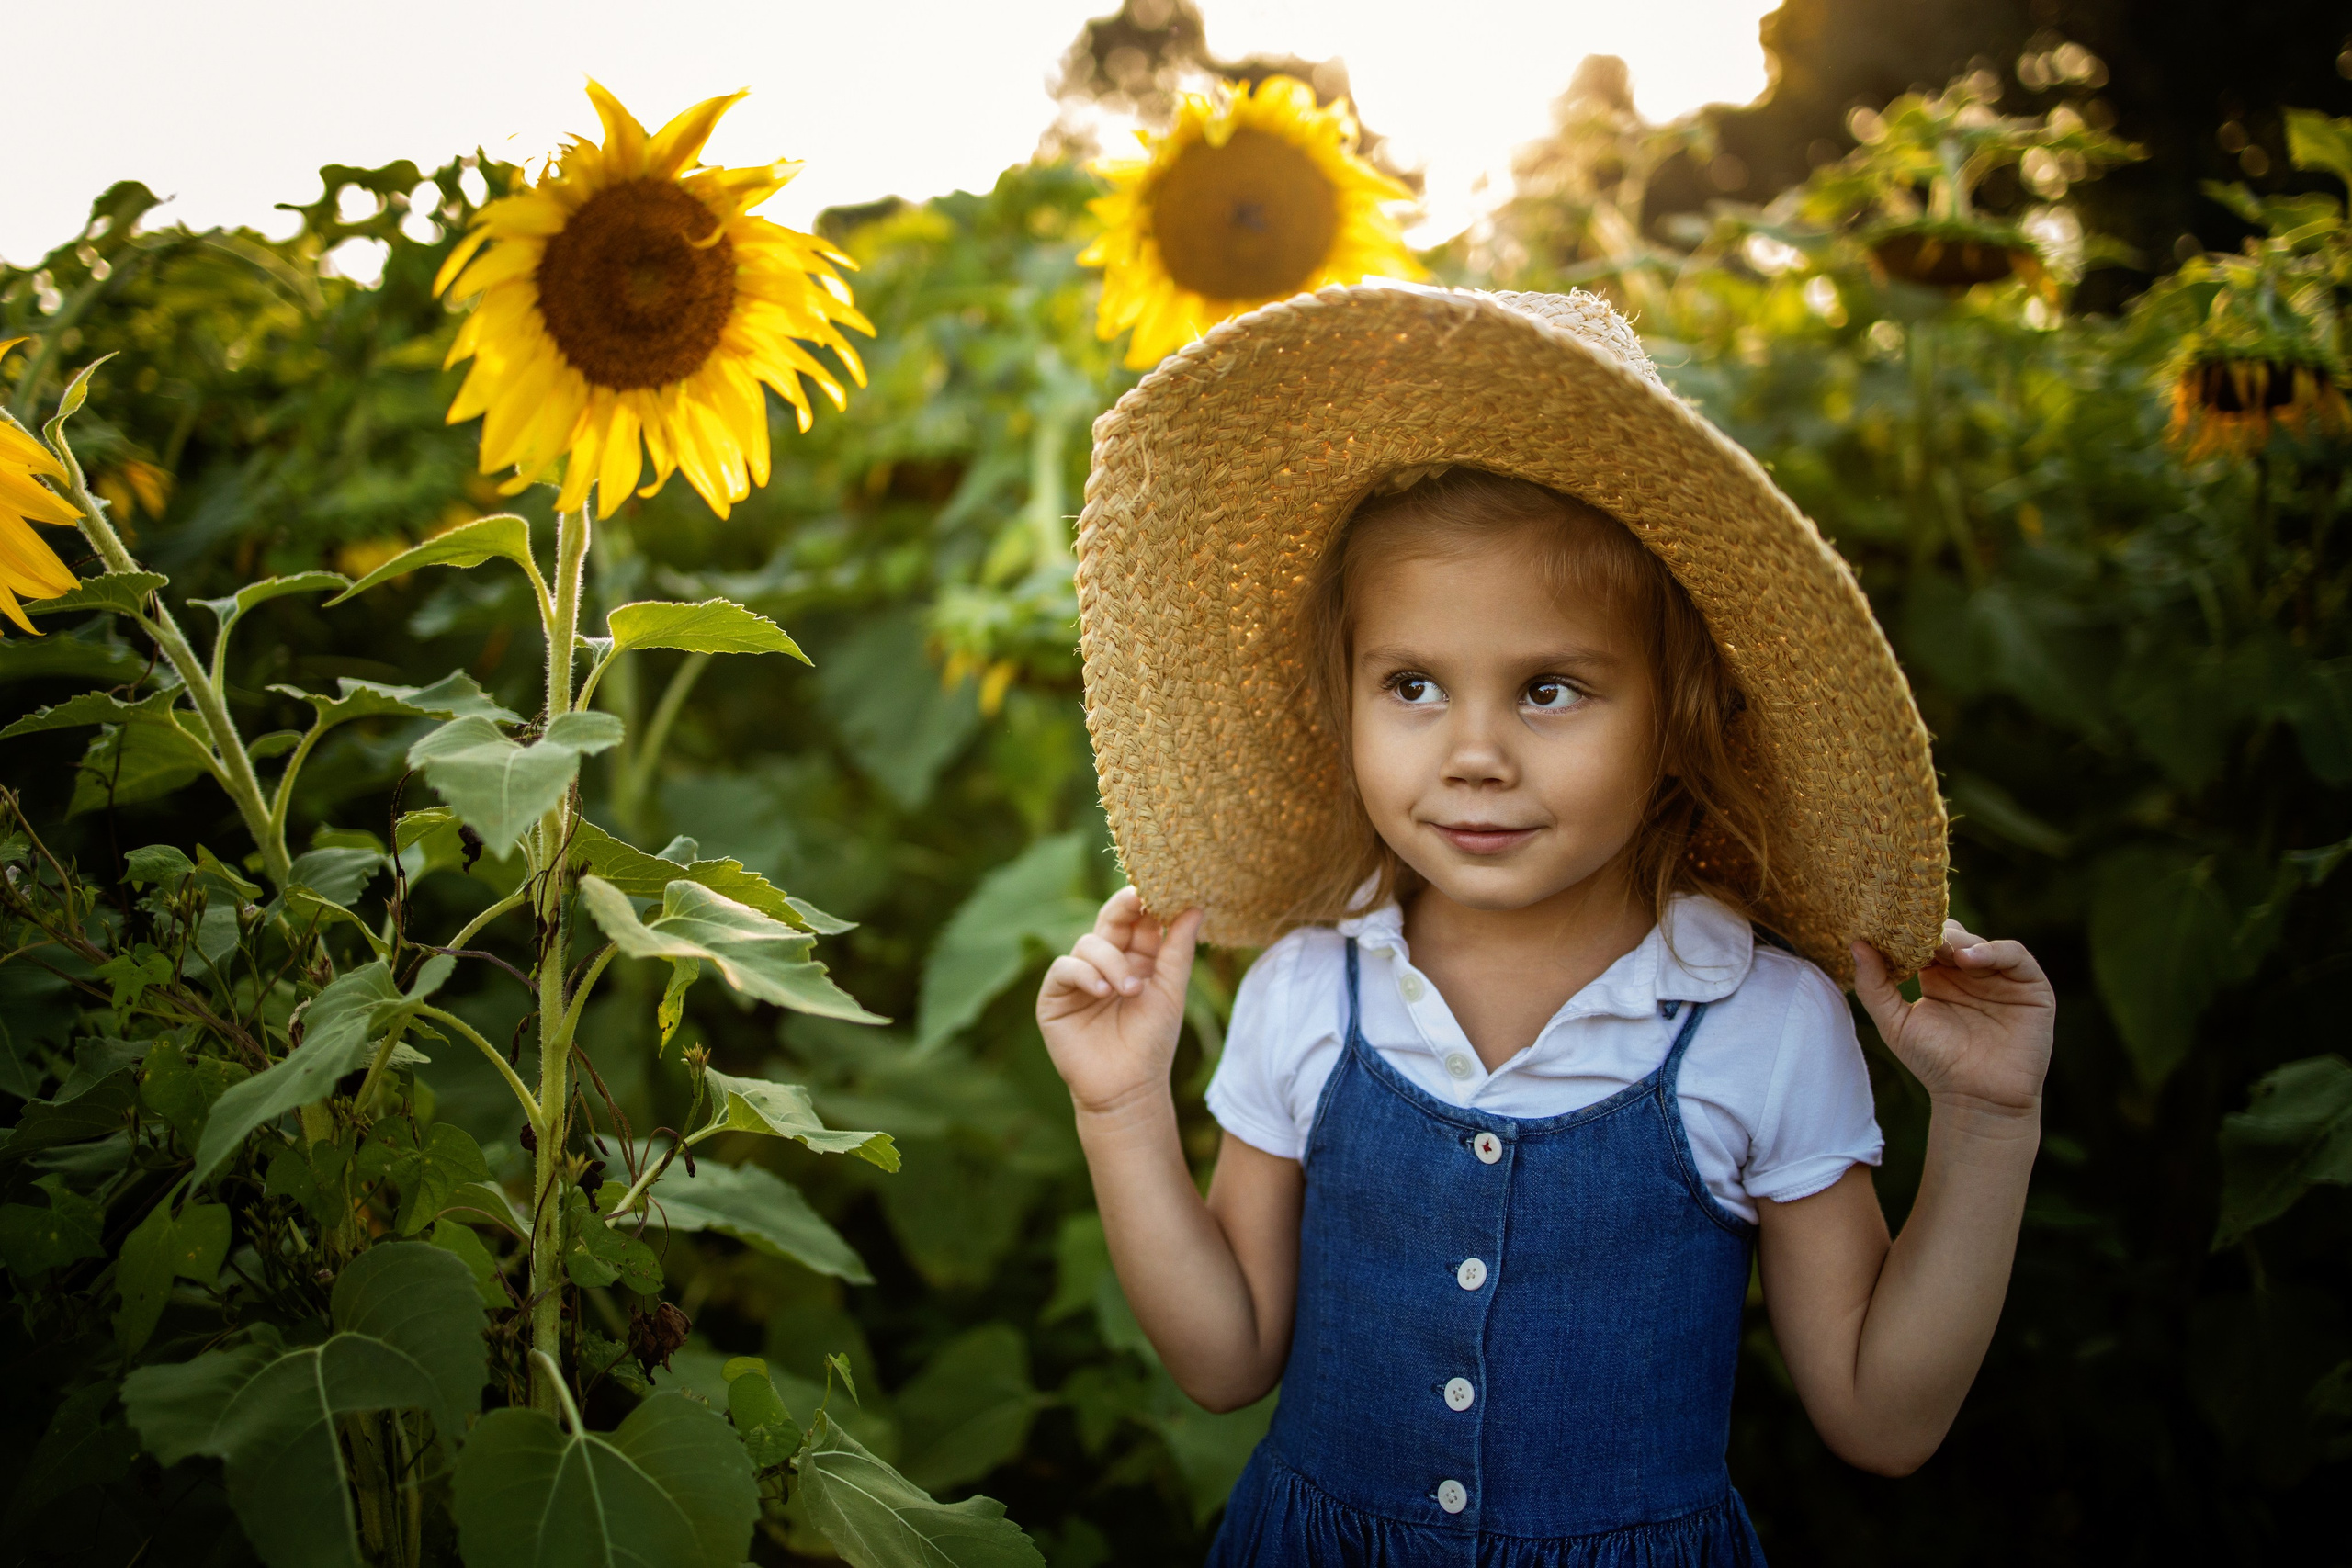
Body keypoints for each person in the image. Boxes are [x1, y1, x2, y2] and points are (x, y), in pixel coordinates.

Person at [1038, 285, 2055, 1565]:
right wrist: (1121, 1108)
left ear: (1679, 712)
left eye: (1550, 689)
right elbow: (1225, 1358)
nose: (1474, 754)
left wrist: (1988, 1119)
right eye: (1411, 684)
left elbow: (1880, 1416)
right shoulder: (1307, 993)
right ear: (1341, 698)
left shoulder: (1761, 1023)